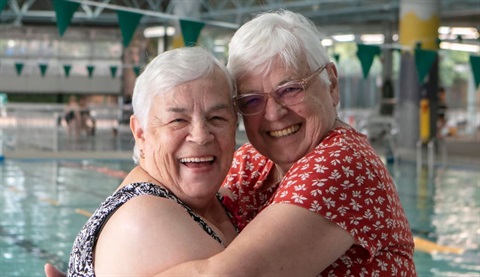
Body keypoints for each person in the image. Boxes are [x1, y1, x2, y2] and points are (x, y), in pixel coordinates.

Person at [47, 10, 416, 277]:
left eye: (289, 89)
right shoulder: (252, 160)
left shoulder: (342, 163)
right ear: (139, 131)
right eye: (252, 100)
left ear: (332, 84)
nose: (272, 113)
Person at [55, 46, 239, 276]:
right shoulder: (144, 219)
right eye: (178, 120)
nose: (201, 135)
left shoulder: (219, 199)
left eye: (217, 118)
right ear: (140, 133)